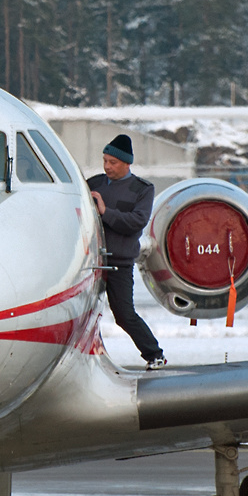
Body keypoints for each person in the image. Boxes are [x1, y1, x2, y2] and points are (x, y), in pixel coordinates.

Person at [87, 134, 166, 369]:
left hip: (118, 263)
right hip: (89, 263)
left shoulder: (142, 189)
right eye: (105, 161)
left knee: (123, 314)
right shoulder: (93, 184)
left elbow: (136, 222)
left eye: (112, 162)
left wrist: (104, 211)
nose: (107, 166)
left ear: (126, 163)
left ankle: (155, 354)